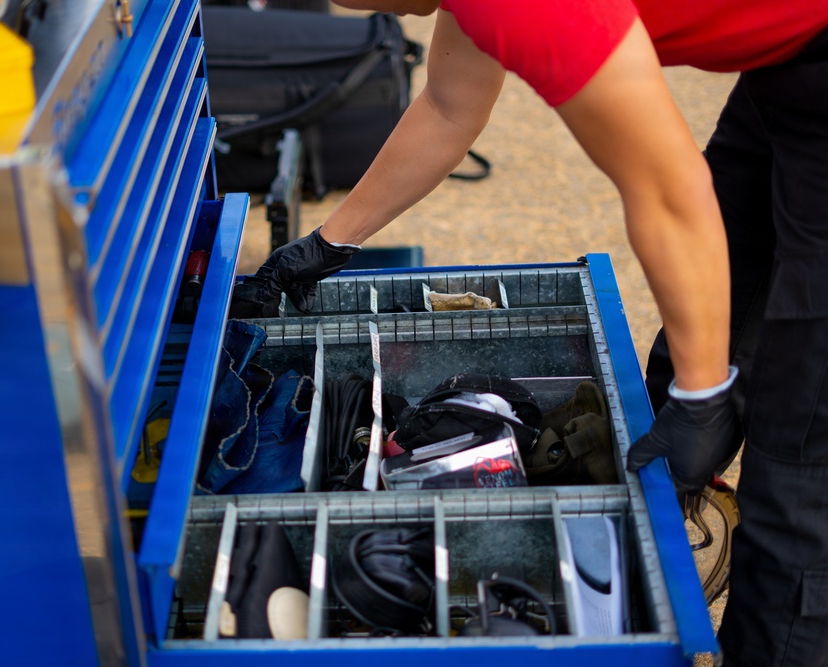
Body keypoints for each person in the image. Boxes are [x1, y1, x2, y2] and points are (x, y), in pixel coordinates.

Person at [230, 1, 828, 664]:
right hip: (785, 62)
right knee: (703, 332)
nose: (378, 13)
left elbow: (668, 189)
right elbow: (449, 108)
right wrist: (329, 243)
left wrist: (703, 395)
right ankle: (661, 551)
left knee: (799, 449)